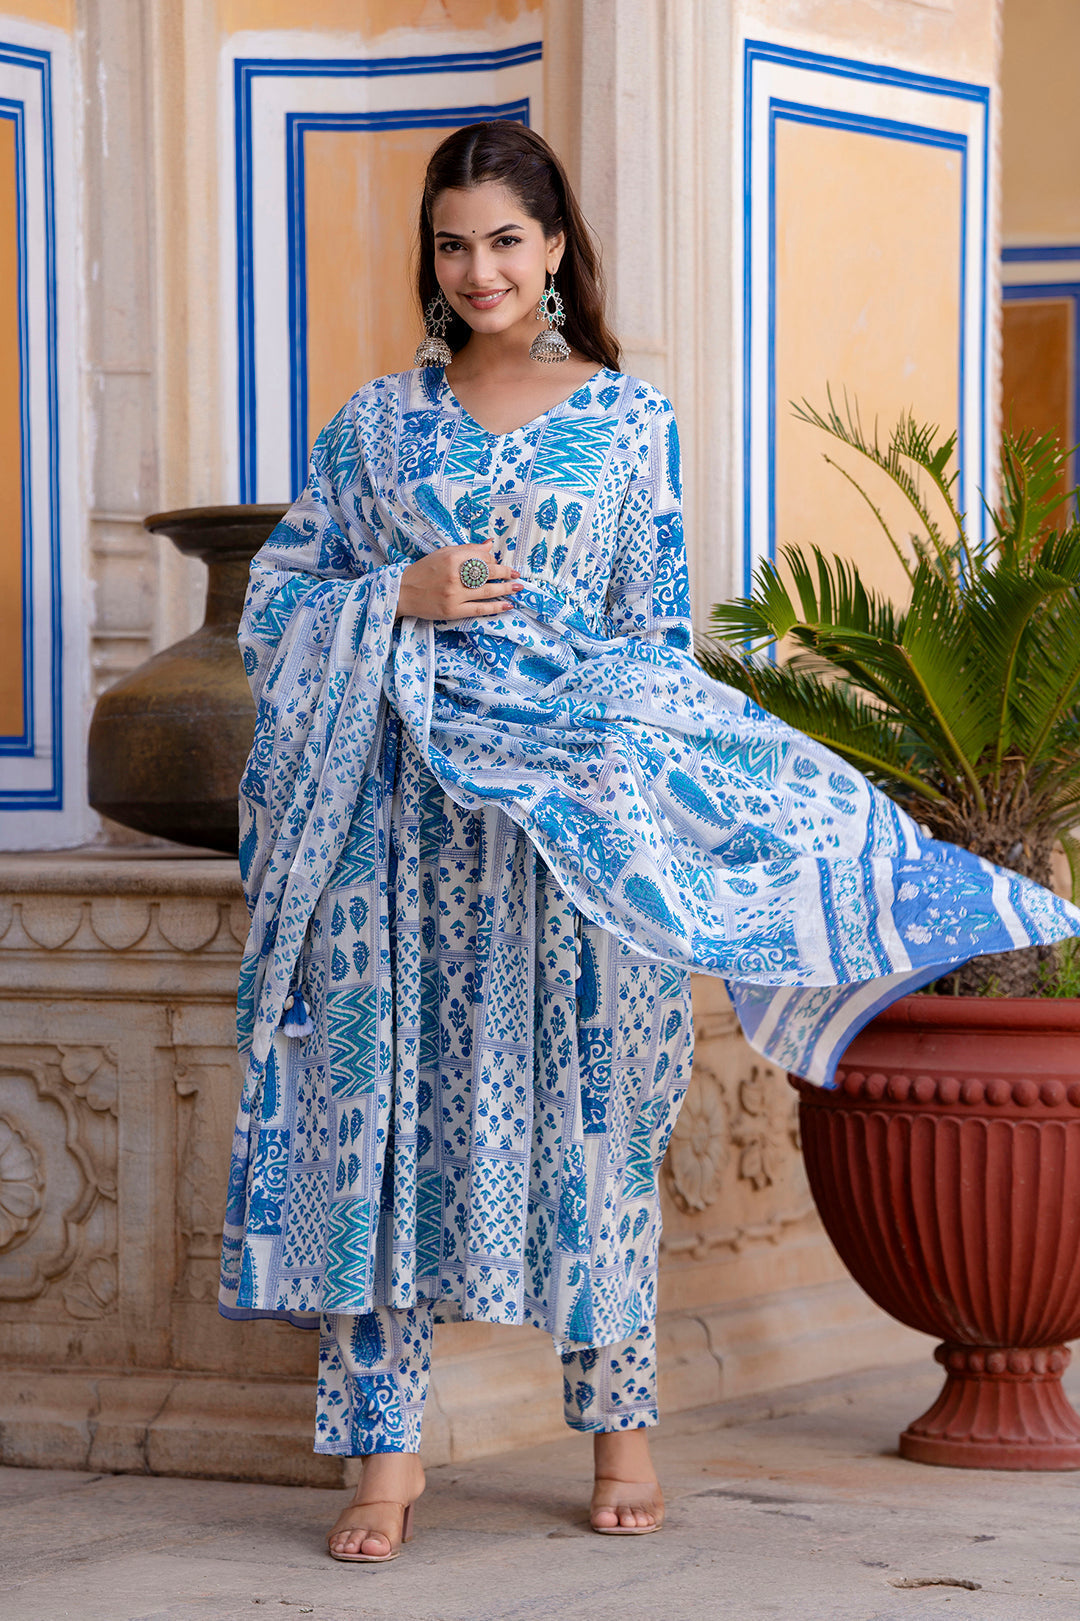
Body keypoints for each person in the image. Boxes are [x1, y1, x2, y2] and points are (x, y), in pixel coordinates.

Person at [218, 122, 1080, 1564]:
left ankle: (620, 1431)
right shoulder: (373, 427)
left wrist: (603, 778)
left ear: (555, 246)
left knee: (594, 1126)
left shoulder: (627, 425)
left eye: (505, 240)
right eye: (452, 244)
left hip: (578, 836)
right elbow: (272, 612)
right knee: (383, 1129)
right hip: (399, 838)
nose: (479, 270)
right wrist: (397, 598)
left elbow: (654, 645)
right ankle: (383, 1459)